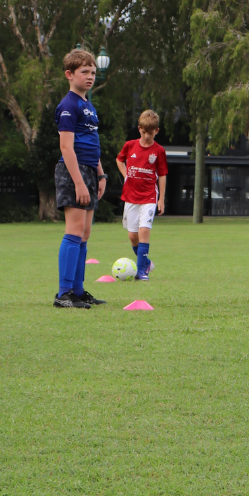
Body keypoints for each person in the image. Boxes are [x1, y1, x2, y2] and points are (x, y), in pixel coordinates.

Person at [53, 49, 108, 309]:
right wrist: (78, 182)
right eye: (84, 72)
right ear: (69, 74)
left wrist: (100, 173)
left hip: (88, 170)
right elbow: (67, 148)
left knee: (84, 233)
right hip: (72, 171)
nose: (90, 76)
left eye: (93, 72)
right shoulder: (69, 105)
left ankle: (77, 291)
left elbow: (91, 144)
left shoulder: (88, 105)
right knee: (74, 231)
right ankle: (63, 294)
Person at [116, 110, 168, 280]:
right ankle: (146, 262)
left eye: (150, 133)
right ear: (139, 129)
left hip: (149, 197)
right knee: (132, 236)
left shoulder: (159, 151)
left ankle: (141, 271)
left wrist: (161, 199)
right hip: (131, 197)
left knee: (144, 231)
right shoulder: (130, 146)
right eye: (144, 132)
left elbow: (162, 175)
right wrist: (126, 175)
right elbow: (119, 159)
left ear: (156, 132)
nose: (146, 136)